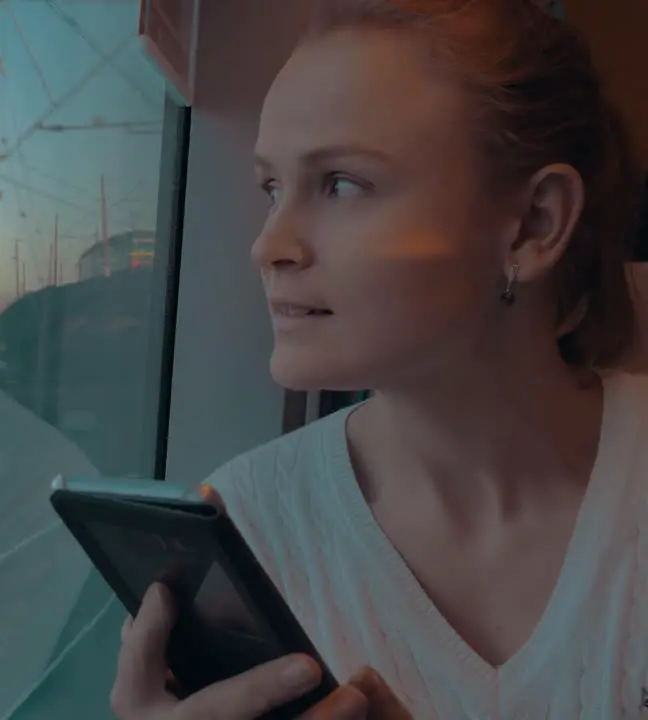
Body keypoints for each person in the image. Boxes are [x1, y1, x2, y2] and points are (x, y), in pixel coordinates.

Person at [111, 0, 648, 718]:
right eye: (272, 188)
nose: (270, 245)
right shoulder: (249, 530)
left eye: (341, 184)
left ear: (534, 224)